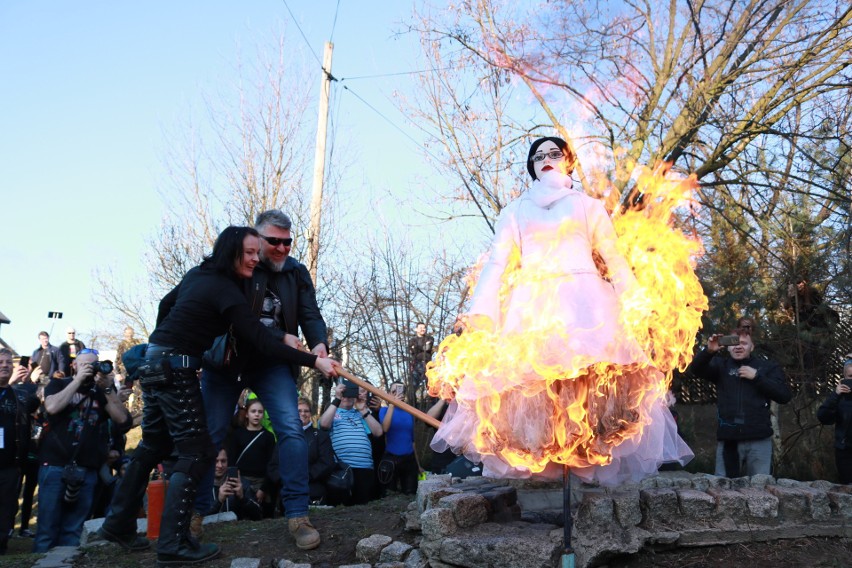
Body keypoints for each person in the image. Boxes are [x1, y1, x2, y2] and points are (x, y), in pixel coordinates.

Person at [427, 136, 692, 485]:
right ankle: (550, 481)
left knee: (590, 390)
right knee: (536, 395)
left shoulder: (588, 206)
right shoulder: (515, 210)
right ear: (532, 167)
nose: (547, 160)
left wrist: (634, 300)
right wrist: (482, 314)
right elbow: (498, 262)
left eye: (555, 154)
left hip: (587, 304)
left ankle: (583, 478)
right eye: (539, 156)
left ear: (568, 162)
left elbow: (613, 257)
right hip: (532, 306)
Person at [98, 226, 339, 566]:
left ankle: (117, 524)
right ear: (233, 250)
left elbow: (167, 304)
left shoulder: (202, 273)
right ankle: (174, 542)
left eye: (263, 251)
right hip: (180, 368)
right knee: (197, 451)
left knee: (154, 444)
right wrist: (314, 361)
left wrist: (161, 343)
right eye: (253, 251)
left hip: (158, 361)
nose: (259, 257)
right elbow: (259, 337)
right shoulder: (225, 287)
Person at [197, 210, 330, 550]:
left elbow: (310, 313)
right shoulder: (236, 265)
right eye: (274, 241)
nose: (282, 248)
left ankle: (298, 515)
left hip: (271, 365)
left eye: (288, 241)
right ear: (256, 239)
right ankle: (194, 516)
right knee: (210, 434)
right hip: (227, 363)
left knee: (291, 429)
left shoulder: (296, 272)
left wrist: (319, 345)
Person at [34, 349, 132, 553]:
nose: (90, 369)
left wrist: (108, 389)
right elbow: (51, 407)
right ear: (75, 366)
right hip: (54, 465)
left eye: (93, 364)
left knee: (74, 529)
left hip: (87, 469)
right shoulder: (59, 383)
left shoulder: (101, 391)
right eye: (85, 365)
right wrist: (77, 381)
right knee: (47, 529)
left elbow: (123, 421)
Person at [686, 331, 792, 477]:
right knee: (723, 490)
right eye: (734, 343)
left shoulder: (766, 368)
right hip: (729, 441)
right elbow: (696, 369)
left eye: (744, 343)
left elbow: (784, 395)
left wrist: (756, 377)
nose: (738, 347)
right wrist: (709, 351)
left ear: (752, 347)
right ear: (728, 347)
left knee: (759, 490)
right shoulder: (720, 367)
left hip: (759, 440)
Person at [0, 349, 38, 554]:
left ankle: (2, 546)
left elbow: (35, 404)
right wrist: (12, 382)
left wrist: (31, 382)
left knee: (7, 506)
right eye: (0, 362)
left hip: (10, 463)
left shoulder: (18, 395)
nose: (5, 365)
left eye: (8, 362)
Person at [319, 381, 382, 505]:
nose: (346, 398)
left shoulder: (361, 414)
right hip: (342, 469)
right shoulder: (332, 413)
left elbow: (378, 432)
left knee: (362, 508)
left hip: (364, 468)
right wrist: (337, 399)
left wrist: (363, 409)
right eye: (344, 394)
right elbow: (324, 424)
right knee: (341, 509)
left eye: (349, 394)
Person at [227, 399, 278, 518]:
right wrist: (235, 483)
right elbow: (232, 461)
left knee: (261, 516)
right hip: (242, 482)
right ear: (247, 414)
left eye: (260, 412)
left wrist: (263, 489)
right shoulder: (238, 434)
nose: (256, 414)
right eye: (253, 411)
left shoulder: (268, 437)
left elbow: (271, 465)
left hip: (262, 482)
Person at [377, 382, 422, 494]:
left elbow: (412, 441)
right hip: (391, 458)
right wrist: (392, 404)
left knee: (410, 494)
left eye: (399, 391)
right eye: (393, 392)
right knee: (390, 496)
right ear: (388, 394)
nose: (396, 394)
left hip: (409, 459)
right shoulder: (384, 410)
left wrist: (419, 465)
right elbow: (385, 429)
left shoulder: (409, 413)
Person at [817, 356, 852, 484]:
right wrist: (835, 395)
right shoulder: (839, 398)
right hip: (846, 452)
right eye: (850, 376)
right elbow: (823, 417)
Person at [202, 449, 262, 520]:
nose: (220, 465)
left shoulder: (240, 483)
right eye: (215, 461)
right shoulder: (201, 486)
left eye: (223, 461)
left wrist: (242, 498)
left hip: (236, 529)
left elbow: (258, 515)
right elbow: (197, 520)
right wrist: (219, 501)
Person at [298, 397, 335, 504]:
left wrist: (305, 476)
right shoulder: (286, 436)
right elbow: (276, 463)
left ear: (310, 413)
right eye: (299, 411)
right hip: (288, 489)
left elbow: (327, 463)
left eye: (306, 411)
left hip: (314, 489)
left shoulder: (320, 436)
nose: (303, 414)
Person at [408, 323, 434, 391]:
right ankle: (411, 401)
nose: (423, 329)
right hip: (416, 364)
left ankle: (432, 400)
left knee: (430, 385)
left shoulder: (430, 338)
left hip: (427, 364)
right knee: (413, 386)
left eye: (424, 327)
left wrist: (416, 347)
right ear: (416, 329)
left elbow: (427, 348)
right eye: (420, 327)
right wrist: (422, 347)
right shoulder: (412, 340)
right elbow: (412, 350)